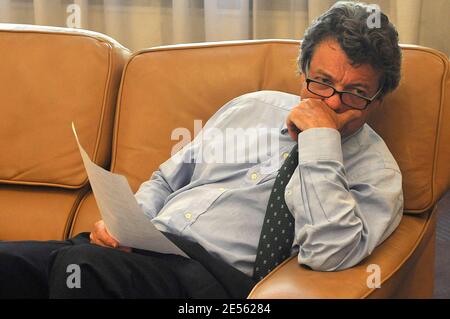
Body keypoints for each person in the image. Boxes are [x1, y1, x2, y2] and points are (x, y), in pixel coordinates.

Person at [0, 1, 403, 299]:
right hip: (141, 250)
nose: (332, 103)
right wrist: (128, 224)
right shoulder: (252, 106)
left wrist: (320, 142)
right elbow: (165, 179)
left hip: (215, 284)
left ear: (379, 98)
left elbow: (329, 252)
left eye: (355, 94)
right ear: (302, 74)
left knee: (82, 270)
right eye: (322, 82)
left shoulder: (378, 175)